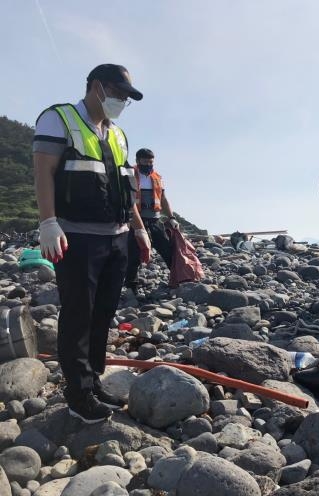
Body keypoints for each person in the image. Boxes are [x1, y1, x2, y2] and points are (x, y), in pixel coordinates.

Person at [33, 64, 152, 423]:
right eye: (118, 93)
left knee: (103, 312)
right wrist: (48, 222)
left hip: (115, 237)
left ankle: (93, 379)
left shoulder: (117, 135)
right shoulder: (59, 119)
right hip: (76, 237)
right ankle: (78, 394)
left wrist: (139, 229)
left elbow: (125, 187)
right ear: (97, 87)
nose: (121, 101)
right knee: (78, 313)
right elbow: (43, 172)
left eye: (126, 98)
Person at [125, 148, 178, 293]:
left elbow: (163, 199)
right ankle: (131, 285)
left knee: (167, 250)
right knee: (133, 254)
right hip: (136, 221)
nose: (148, 164)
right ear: (137, 161)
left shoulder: (157, 177)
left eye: (151, 162)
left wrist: (171, 217)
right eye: (145, 162)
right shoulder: (129, 175)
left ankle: (177, 279)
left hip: (154, 220)